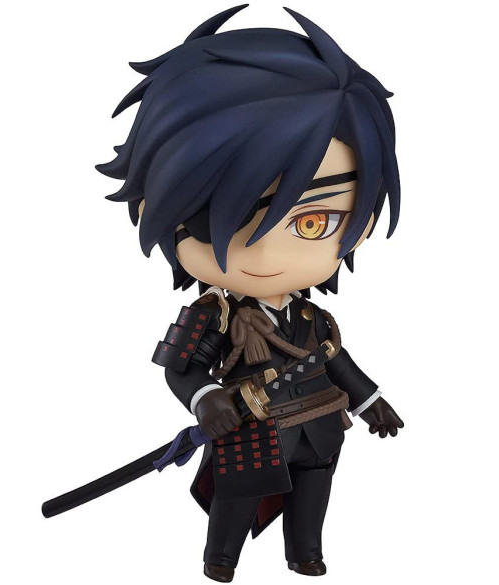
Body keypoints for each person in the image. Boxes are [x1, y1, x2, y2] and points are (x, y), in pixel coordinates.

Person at [97, 6, 404, 582]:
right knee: (235, 501)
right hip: (252, 432)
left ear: (360, 224)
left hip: (320, 425)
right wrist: (204, 399)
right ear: (151, 208)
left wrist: (369, 401)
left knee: (314, 492)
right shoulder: (210, 315)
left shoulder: (313, 318)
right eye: (223, 220)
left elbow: (337, 362)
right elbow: (181, 370)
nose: (264, 257)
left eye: (311, 222)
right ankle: (221, 560)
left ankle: (305, 553)